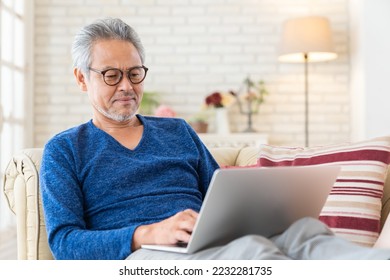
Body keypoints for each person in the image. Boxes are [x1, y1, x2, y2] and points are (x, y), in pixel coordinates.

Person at [39, 17, 390, 260]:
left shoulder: (177, 132)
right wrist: (147, 233)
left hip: (205, 241)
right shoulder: (66, 149)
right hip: (146, 256)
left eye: (134, 73)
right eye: (112, 75)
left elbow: (220, 196)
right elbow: (65, 243)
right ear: (82, 79)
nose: (128, 87)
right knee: (254, 253)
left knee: (305, 234)